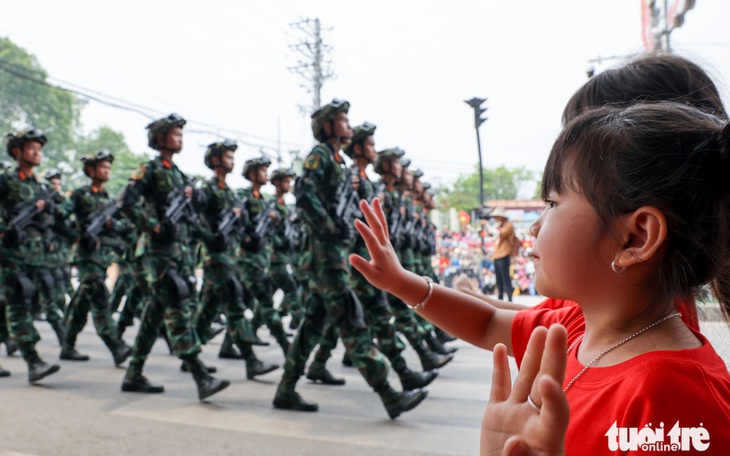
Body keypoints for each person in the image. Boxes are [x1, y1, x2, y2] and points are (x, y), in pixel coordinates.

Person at [351, 102, 730, 454]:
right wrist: (402, 283)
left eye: (552, 203)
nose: (534, 226)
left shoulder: (675, 400)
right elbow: (487, 324)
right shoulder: (581, 323)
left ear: (635, 237)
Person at [273, 99, 427, 419]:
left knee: (312, 325)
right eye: (342, 120)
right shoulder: (319, 157)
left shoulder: (338, 163)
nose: (348, 125)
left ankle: (286, 389)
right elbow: (305, 196)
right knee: (352, 321)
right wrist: (330, 227)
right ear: (328, 127)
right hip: (324, 257)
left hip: (333, 256)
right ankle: (388, 393)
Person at [119, 113, 229, 401]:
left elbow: (193, 215)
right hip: (157, 254)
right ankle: (199, 374)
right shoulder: (150, 170)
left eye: (181, 134)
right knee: (177, 311)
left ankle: (133, 373)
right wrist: (153, 225)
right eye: (175, 134)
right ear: (160, 139)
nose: (180, 138)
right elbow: (125, 201)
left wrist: (196, 201)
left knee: (154, 314)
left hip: (176, 253)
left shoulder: (178, 175)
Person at [193, 140, 279, 380]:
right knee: (234, 308)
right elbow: (193, 220)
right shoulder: (208, 189)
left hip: (226, 257)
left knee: (207, 310)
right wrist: (210, 238)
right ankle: (251, 361)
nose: (232, 161)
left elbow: (238, 227)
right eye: (228, 157)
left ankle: (190, 356)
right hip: (215, 257)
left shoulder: (228, 192)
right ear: (216, 160)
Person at [59, 150, 132, 365]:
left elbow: (122, 227)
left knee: (81, 303)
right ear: (91, 170)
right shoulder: (80, 195)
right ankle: (116, 346)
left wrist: (113, 225)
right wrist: (76, 237)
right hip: (86, 257)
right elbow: (60, 215)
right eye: (102, 167)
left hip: (102, 257)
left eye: (109, 167)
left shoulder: (109, 199)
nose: (107, 171)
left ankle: (67, 344)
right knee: (100, 298)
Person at [0, 129, 61, 383]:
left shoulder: (42, 186)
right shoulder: (6, 181)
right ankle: (33, 361)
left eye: (39, 149)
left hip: (35, 258)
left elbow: (62, 212)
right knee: (18, 307)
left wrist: (51, 208)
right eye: (32, 148)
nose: (38, 153)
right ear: (17, 151)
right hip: (10, 255)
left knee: (19, 305)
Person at [482, 206, 516, 302]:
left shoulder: (509, 226)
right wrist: (485, 226)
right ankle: (500, 298)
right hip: (497, 255)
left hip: (504, 255)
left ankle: (509, 298)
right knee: (498, 279)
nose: (496, 219)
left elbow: (498, 234)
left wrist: (488, 225)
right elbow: (490, 236)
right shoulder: (499, 226)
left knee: (505, 278)